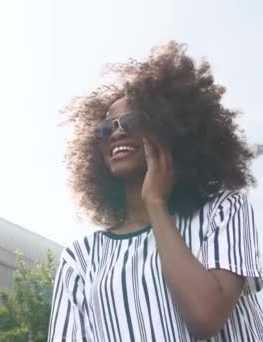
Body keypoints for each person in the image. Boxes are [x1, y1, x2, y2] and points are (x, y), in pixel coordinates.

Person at [47, 42, 263, 341]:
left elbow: (205, 316)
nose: (117, 132)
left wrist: (156, 203)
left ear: (171, 128)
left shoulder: (224, 210)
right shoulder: (81, 259)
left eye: (132, 121)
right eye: (105, 129)